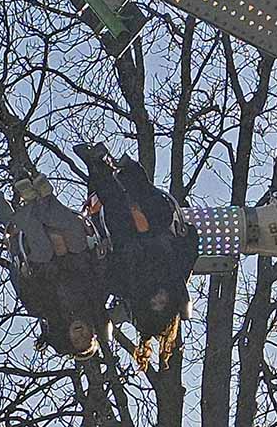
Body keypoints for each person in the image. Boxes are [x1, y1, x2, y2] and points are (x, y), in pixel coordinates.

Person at [73, 143, 199, 369]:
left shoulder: (130, 288)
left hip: (126, 240)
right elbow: (187, 255)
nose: (157, 298)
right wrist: (189, 235)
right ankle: (124, 168)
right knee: (150, 207)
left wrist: (104, 257)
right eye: (163, 302)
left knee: (117, 213)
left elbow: (111, 276)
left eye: (154, 303)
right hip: (159, 232)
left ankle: (97, 165)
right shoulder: (175, 281)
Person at [0, 171, 109, 359]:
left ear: (68, 337)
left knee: (39, 244)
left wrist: (22, 270)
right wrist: (98, 255)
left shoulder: (46, 311)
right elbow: (100, 275)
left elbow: (25, 286)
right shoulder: (96, 304)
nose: (80, 333)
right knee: (74, 238)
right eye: (86, 336)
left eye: (77, 339)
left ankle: (24, 199)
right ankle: (45, 198)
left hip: (45, 264)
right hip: (77, 258)